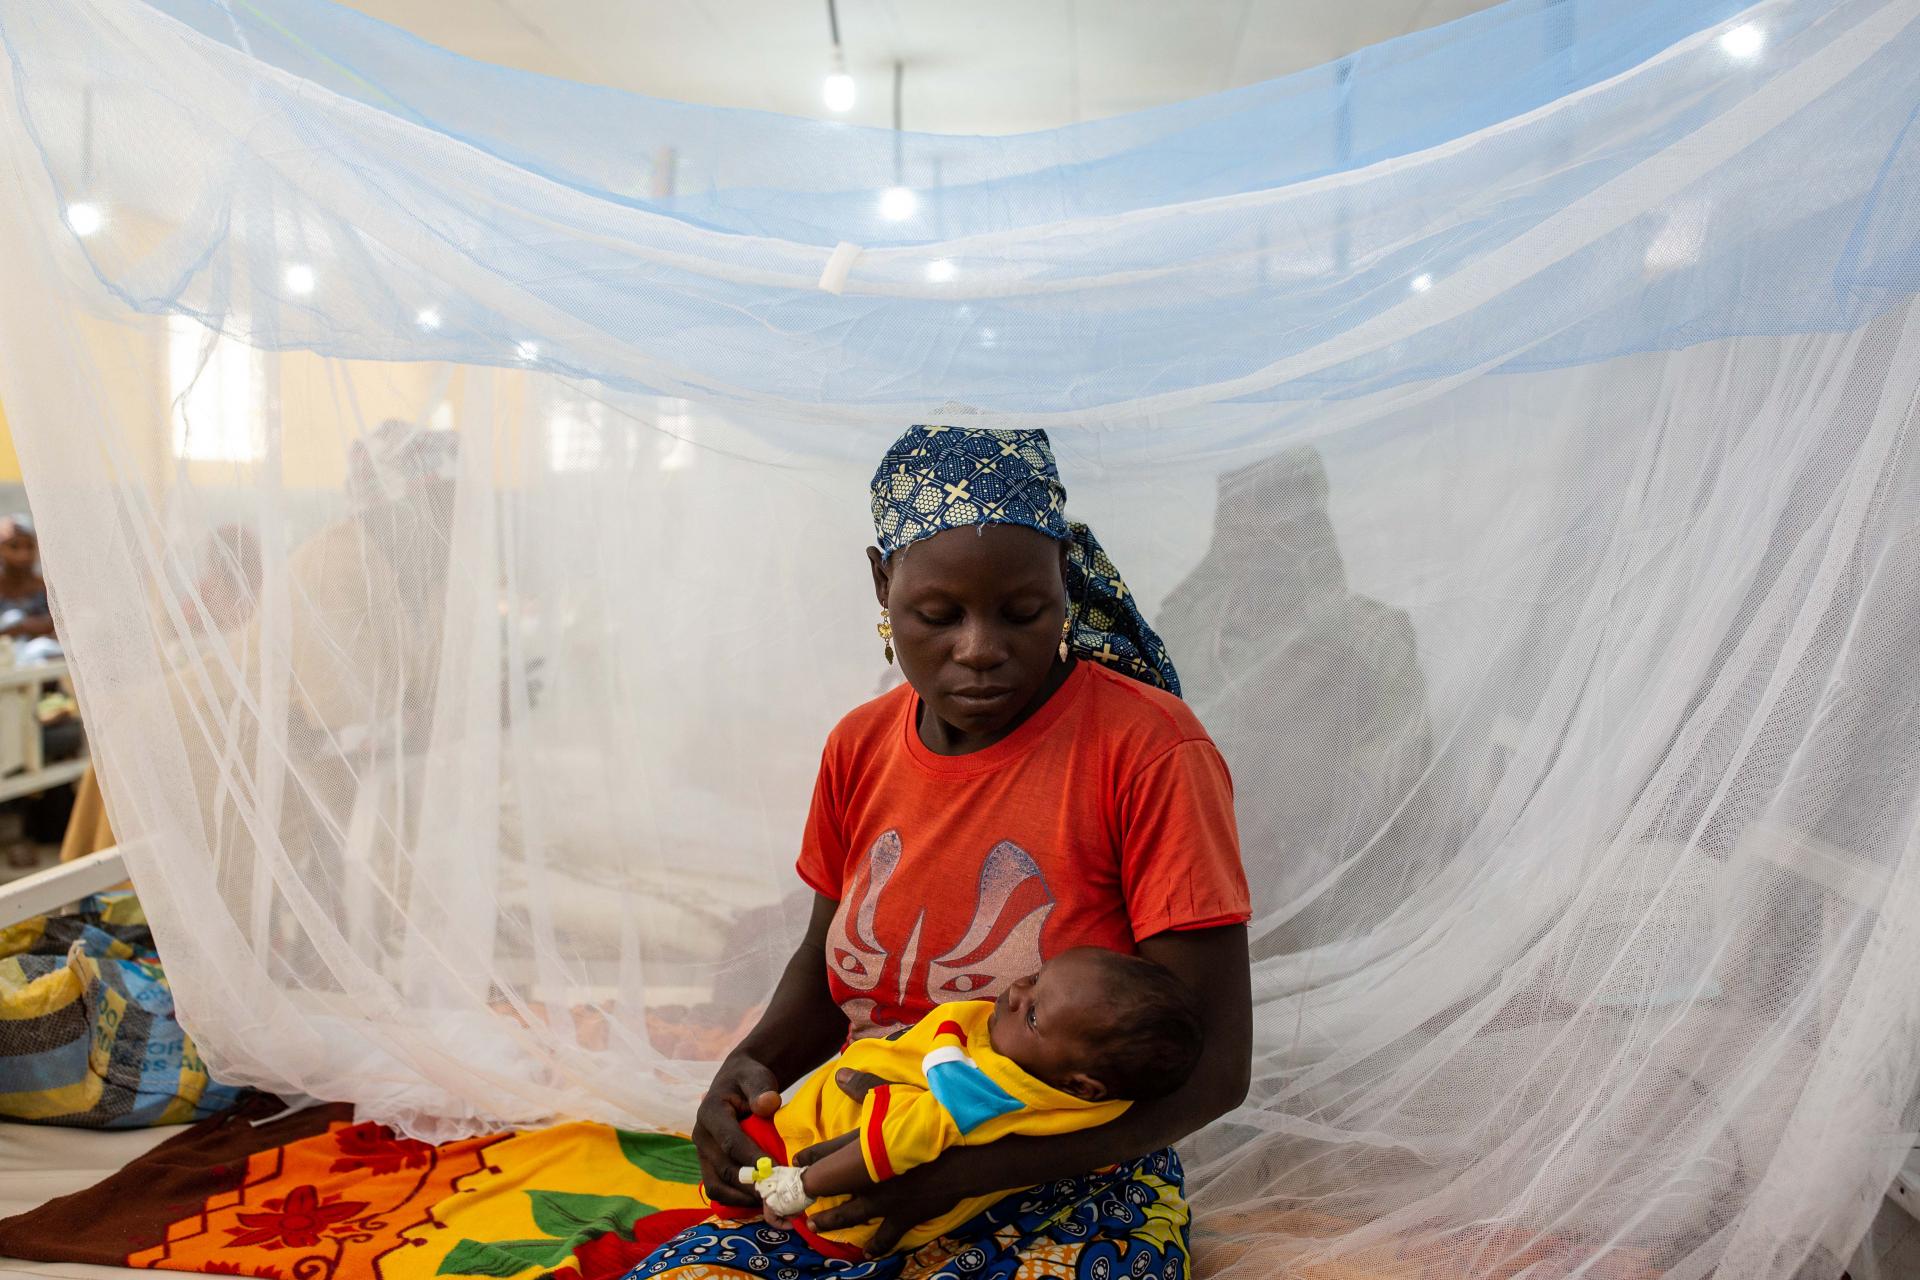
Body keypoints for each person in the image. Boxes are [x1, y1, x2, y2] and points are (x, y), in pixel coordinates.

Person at [649, 425, 1252, 1280]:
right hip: (860, 1152)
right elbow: (827, 975)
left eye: (1024, 612)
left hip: (1061, 1167)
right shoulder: (859, 747)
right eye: (938, 616)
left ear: (1063, 588)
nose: (980, 649)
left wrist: (967, 1173)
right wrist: (746, 1071)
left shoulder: (1150, 751)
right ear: (881, 583)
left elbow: (1215, 1071)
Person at [719, 947, 1204, 1259]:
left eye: (1033, 1015)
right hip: (843, 1133)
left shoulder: (986, 1089)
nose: (1016, 992)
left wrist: (800, 1185)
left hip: (842, 1187)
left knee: (751, 1179)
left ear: (1083, 1084)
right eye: (1035, 977)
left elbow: (896, 1142)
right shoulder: (1094, 1092)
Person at [0, 514, 54, 641]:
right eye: (14, 546)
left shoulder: (45, 588)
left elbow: (58, 625)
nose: (23, 554)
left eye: (29, 546)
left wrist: (22, 627)